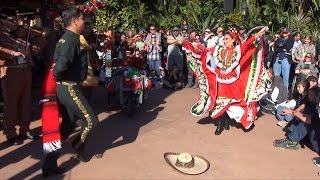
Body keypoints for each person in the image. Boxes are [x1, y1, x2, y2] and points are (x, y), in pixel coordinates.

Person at [183, 26, 269, 135]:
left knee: (232, 102)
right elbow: (207, 50)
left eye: (226, 39)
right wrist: (197, 45)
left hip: (232, 81)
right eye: (223, 39)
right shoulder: (219, 49)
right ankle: (220, 124)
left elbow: (248, 43)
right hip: (219, 79)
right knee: (218, 102)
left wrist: (259, 34)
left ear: (233, 40)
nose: (224, 41)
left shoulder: (238, 50)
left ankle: (228, 121)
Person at [53, 7, 99, 162]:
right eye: (81, 19)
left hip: (69, 86)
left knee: (68, 125)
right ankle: (77, 144)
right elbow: (59, 67)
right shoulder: (71, 39)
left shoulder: (70, 38)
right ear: (74, 21)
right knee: (91, 120)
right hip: (70, 88)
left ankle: (49, 163)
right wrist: (59, 76)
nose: (84, 22)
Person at [0, 16, 43, 145]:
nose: (16, 23)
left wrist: (38, 41)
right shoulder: (2, 34)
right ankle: (10, 132)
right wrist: (13, 53)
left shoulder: (24, 36)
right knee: (11, 103)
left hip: (26, 71)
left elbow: (38, 47)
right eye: (11, 20)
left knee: (26, 102)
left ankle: (25, 130)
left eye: (16, 20)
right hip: (11, 70)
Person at [273, 87, 320, 151]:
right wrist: (295, 112)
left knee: (308, 120)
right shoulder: (313, 104)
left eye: (311, 95)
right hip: (313, 136)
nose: (309, 96)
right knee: (306, 112)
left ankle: (292, 141)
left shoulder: (318, 107)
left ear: (316, 97)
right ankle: (291, 134)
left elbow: (309, 120)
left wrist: (296, 113)